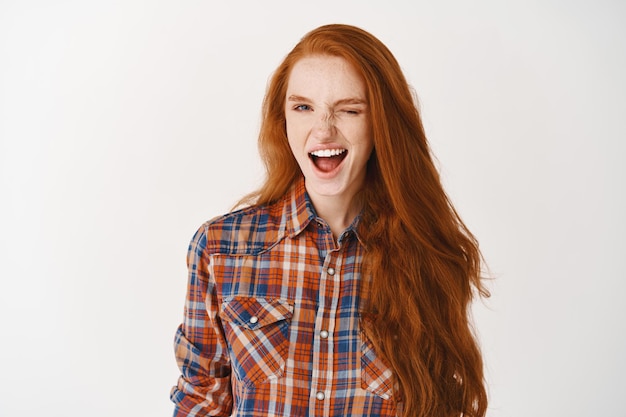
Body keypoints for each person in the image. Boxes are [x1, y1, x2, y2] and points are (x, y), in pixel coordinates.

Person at [171, 23, 489, 417]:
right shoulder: (221, 247)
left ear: (381, 125)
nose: (323, 129)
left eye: (350, 109)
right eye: (303, 107)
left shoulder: (427, 252)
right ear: (282, 120)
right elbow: (201, 400)